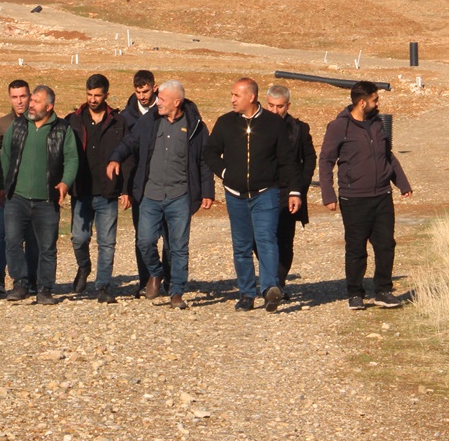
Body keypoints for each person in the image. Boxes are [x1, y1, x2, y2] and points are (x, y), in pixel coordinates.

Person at [106, 80, 214, 310]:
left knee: (178, 247)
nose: (158, 102)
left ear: (177, 102)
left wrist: (207, 191)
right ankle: (155, 274)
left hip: (180, 195)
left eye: (162, 99)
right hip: (150, 194)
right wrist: (116, 157)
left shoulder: (196, 126)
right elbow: (130, 142)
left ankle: (177, 292)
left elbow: (204, 161)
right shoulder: (150, 120)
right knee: (144, 241)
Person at [203, 78, 295, 312]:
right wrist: (225, 172)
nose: (232, 99)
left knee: (266, 240)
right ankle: (246, 293)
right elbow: (210, 152)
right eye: (232, 94)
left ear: (251, 97)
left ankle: (269, 289)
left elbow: (287, 161)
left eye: (236, 95)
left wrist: (294, 191)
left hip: (266, 193)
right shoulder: (225, 123)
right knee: (241, 246)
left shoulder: (274, 124)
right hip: (235, 195)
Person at [319, 80, 412, 310]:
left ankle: (383, 291)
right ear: (362, 102)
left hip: (382, 194)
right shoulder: (339, 126)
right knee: (356, 247)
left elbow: (387, 156)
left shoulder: (378, 124)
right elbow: (326, 160)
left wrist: (402, 183)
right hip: (354, 198)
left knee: (385, 245)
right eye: (375, 99)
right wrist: (328, 194)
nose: (378, 103)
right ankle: (355, 293)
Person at [0, 85, 78, 305]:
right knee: (13, 241)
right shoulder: (18, 126)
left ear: (49, 106)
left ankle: (44, 288)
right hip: (18, 197)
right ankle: (20, 284)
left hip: (47, 200)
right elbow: (6, 155)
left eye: (35, 101)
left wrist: (65, 183)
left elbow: (71, 159)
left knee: (47, 246)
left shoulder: (63, 129)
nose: (30, 104)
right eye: (31, 100)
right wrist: (8, 183)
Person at [65, 74, 128, 303]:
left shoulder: (119, 123)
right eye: (89, 95)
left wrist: (126, 189)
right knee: (79, 238)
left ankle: (103, 286)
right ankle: (84, 267)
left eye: (97, 95)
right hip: (81, 191)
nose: (93, 99)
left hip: (107, 192)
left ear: (106, 95)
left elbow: (128, 157)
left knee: (107, 242)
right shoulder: (73, 120)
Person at [119, 70, 168, 293]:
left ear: (154, 87)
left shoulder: (167, 110)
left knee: (169, 237)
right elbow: (126, 157)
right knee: (143, 237)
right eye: (138, 92)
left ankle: (168, 280)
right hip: (141, 186)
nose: (142, 96)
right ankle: (145, 279)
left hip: (167, 183)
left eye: (146, 91)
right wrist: (125, 189)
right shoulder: (126, 118)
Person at [0, 79, 36, 296]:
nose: (19, 101)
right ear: (10, 98)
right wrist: (10, 155)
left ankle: (30, 278)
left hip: (33, 190)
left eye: (23, 96)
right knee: (3, 234)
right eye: (15, 97)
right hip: (6, 189)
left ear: (30, 96)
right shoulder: (1, 125)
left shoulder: (38, 121)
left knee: (32, 235)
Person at [265, 84, 317, 286]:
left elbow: (310, 158)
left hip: (288, 191)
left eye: (279, 107)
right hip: (263, 189)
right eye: (271, 106)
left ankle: (278, 282)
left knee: (285, 239)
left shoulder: (299, 128)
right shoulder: (257, 125)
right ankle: (272, 276)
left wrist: (300, 185)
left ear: (288, 105)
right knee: (258, 238)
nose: (275, 111)